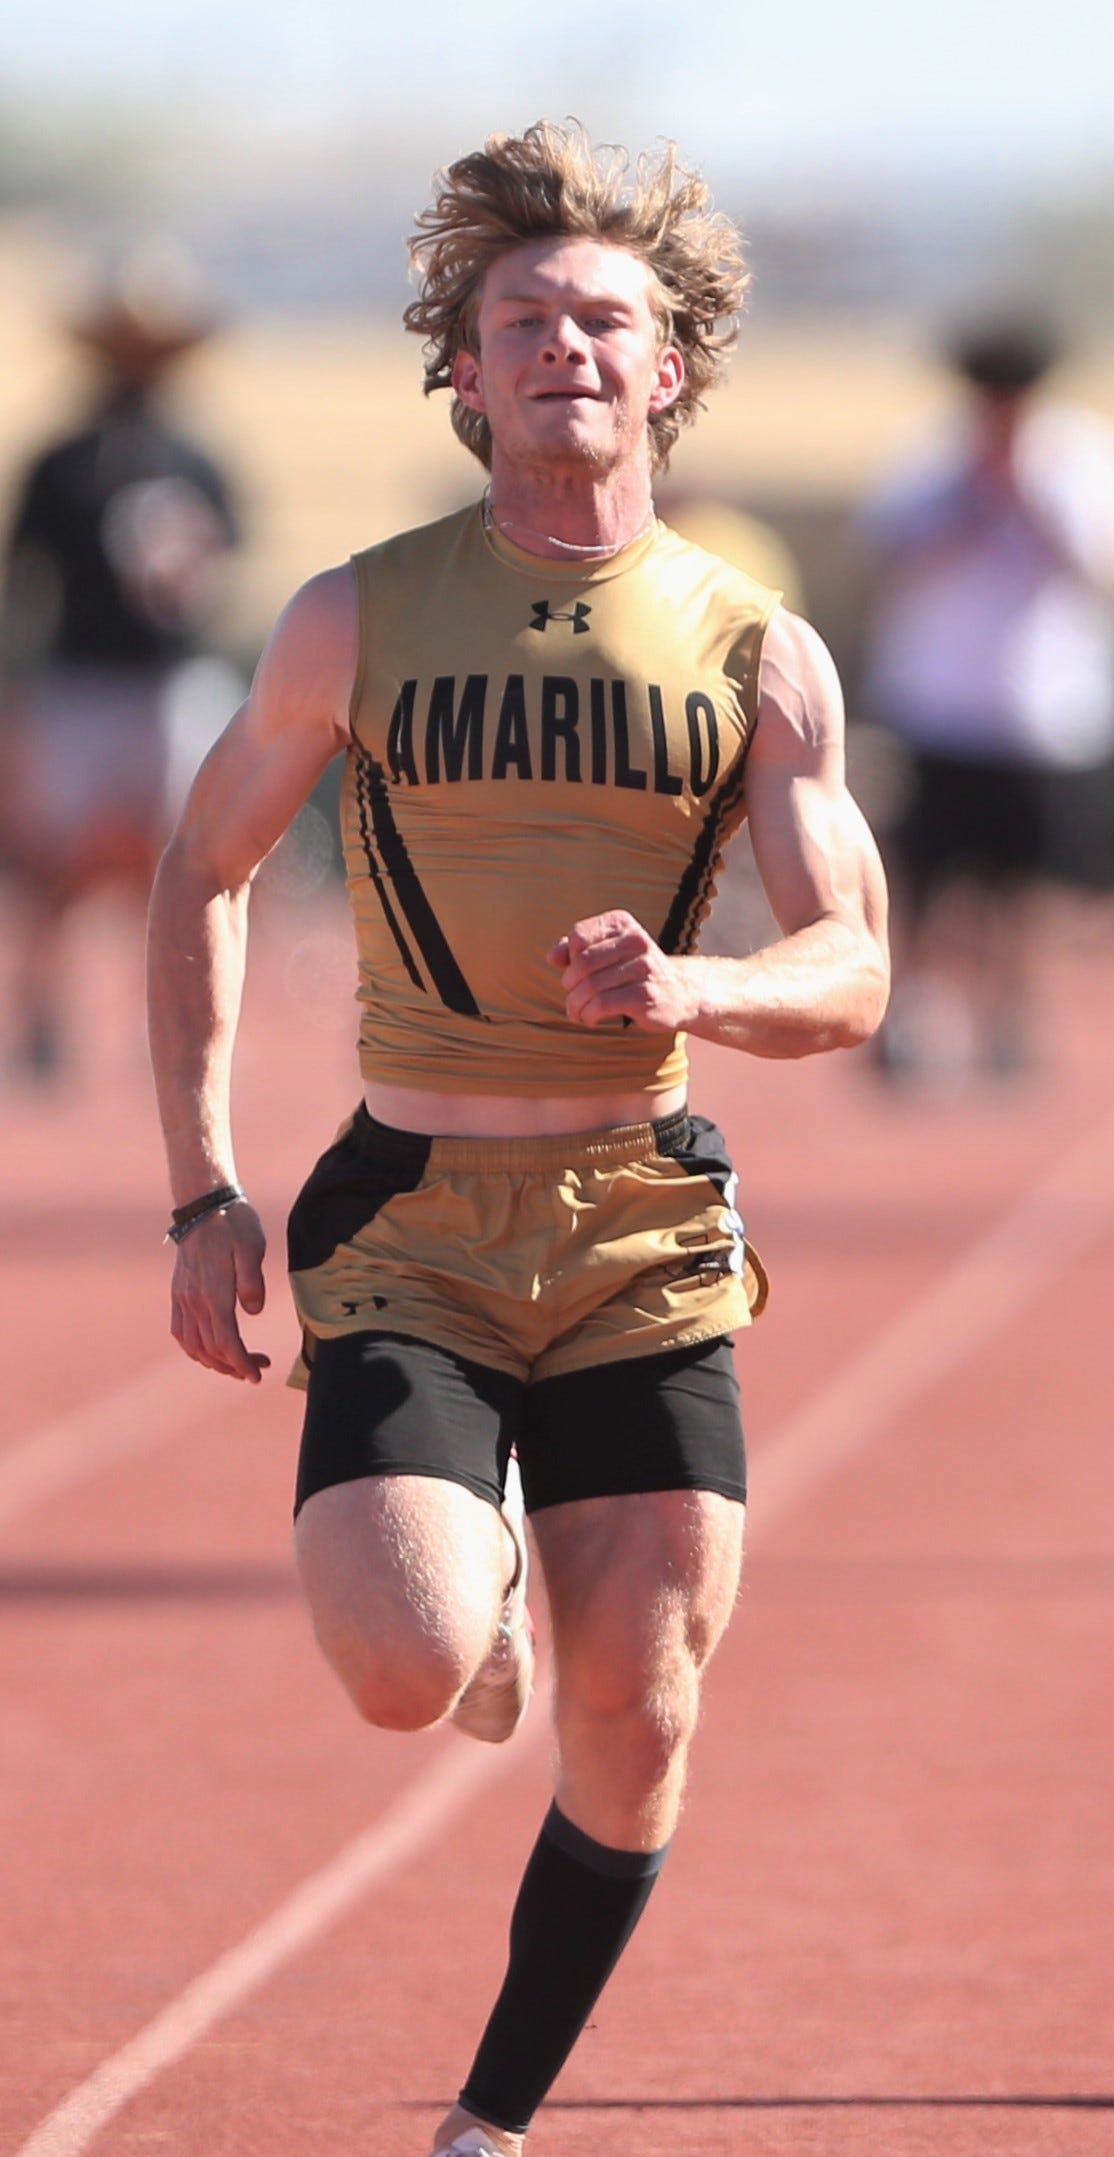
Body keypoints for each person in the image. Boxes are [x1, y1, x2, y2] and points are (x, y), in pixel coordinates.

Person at [145, 123, 889, 2155]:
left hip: (640, 1216)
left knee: (641, 1713)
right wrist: (204, 1181)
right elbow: (200, 869)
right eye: (521, 320)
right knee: (402, 1670)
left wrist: (692, 990)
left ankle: (492, 2117)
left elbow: (851, 968)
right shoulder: (353, 616)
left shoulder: (755, 649)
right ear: (463, 376)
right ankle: (460, 1599)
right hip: (412, 1215)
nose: (564, 346)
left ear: (668, 372)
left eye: (604, 320)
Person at [859, 316, 1114, 1081]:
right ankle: (916, 1015)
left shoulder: (1084, 456)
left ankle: (1012, 1016)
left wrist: (1028, 496)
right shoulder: (932, 457)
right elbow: (886, 548)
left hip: (1043, 713)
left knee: (1028, 883)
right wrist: (968, 499)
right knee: (927, 880)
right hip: (941, 704)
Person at [4, 253, 241, 1082]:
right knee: (54, 865)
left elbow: (224, 567)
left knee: (189, 861)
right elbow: (24, 579)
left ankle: (181, 1025)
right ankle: (42, 1008)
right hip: (79, 682)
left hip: (173, 683)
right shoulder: (60, 461)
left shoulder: (197, 460)